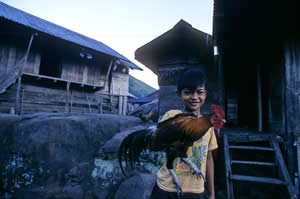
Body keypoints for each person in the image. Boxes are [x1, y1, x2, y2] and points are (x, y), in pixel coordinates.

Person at [150, 68, 218, 199]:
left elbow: (209, 158)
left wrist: (211, 194)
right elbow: (160, 142)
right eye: (188, 92)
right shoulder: (172, 117)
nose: (194, 97)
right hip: (167, 188)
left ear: (205, 94)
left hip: (196, 191)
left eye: (200, 92)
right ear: (179, 94)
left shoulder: (208, 125)